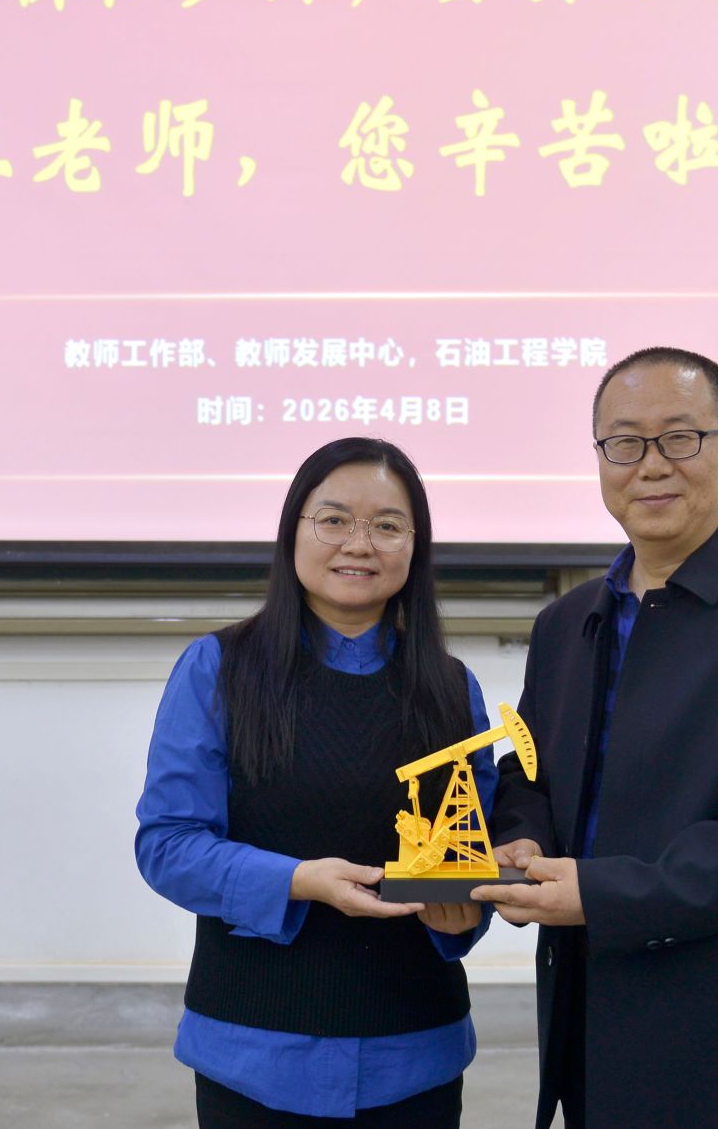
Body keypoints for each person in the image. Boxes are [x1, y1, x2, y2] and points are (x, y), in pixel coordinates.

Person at [471, 347, 718, 1129]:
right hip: (590, 1024)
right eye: (624, 442)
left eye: (680, 438)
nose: (651, 465)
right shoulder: (566, 622)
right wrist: (522, 841)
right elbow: (533, 771)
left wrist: (603, 894)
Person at [135, 436, 498, 1127]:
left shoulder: (454, 690)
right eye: (333, 519)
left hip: (413, 1050)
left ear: (414, 547)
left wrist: (461, 918)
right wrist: (298, 880)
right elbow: (169, 845)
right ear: (293, 532)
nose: (359, 544)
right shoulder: (217, 668)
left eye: (387, 525)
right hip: (252, 1051)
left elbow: (466, 858)